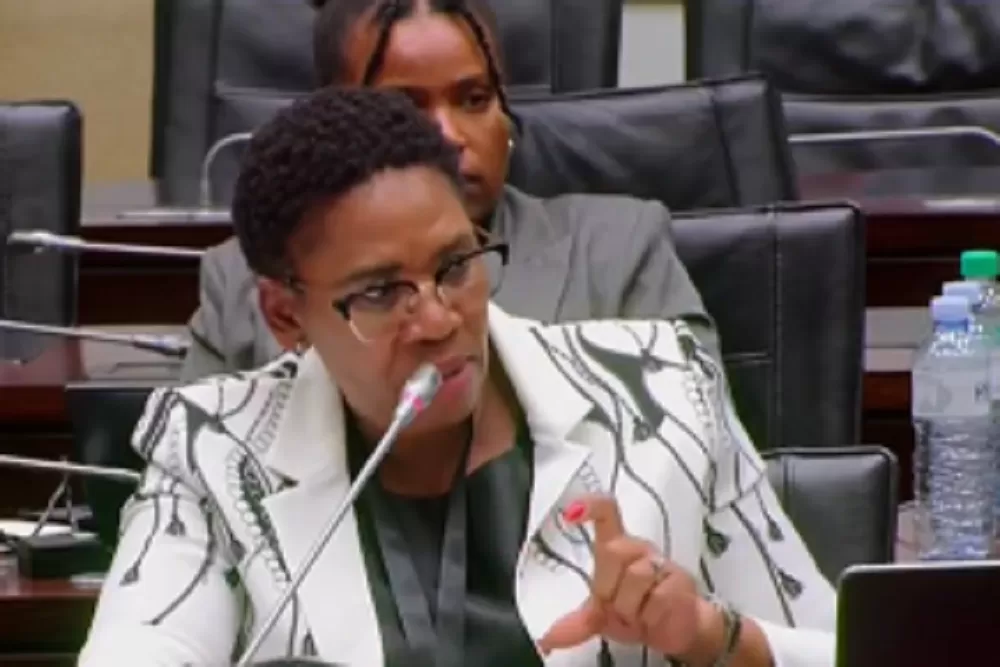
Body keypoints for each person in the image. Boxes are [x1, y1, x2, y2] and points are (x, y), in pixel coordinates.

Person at [80, 88, 834, 667]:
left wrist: (705, 633)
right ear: (285, 314)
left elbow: (843, 650)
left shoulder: (658, 391)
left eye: (455, 266)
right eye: (382, 293)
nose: (438, 319)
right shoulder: (213, 448)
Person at [181, 0, 717, 380]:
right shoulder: (244, 283)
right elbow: (199, 473)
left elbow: (696, 447)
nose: (448, 135)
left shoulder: (619, 252)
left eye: (475, 99)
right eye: (405, 107)